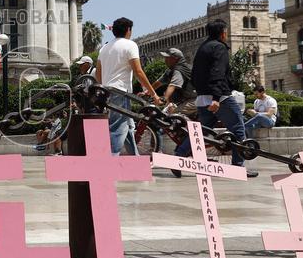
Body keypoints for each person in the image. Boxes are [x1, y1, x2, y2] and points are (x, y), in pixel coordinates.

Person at [176, 19, 258, 178]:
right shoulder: (220, 48)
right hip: (220, 98)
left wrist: (203, 93)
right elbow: (217, 73)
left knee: (200, 132)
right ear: (222, 33)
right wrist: (215, 98)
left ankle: (179, 155)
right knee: (238, 129)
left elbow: (195, 75)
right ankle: (238, 167)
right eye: (226, 31)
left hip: (202, 98)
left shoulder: (202, 48)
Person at [96, 17, 161, 155]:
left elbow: (98, 74)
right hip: (120, 92)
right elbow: (138, 71)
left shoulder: (104, 48)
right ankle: (109, 163)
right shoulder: (130, 45)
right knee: (118, 128)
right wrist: (153, 93)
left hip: (107, 92)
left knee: (128, 127)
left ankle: (135, 159)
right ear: (128, 30)